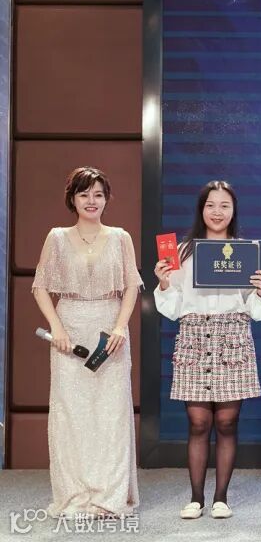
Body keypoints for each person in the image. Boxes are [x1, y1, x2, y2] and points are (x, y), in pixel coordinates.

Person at [154, 180, 261, 520]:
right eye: (210, 205)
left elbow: (257, 311)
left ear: (233, 211)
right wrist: (164, 283)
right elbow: (172, 308)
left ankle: (221, 498)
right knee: (198, 422)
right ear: (201, 210)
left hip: (233, 337)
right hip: (194, 336)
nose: (217, 212)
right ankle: (196, 498)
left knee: (227, 421)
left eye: (224, 206)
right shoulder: (181, 252)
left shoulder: (246, 251)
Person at [31, 167, 140, 518]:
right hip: (70, 330)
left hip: (110, 333)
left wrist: (120, 327)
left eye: (98, 194)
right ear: (72, 199)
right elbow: (40, 287)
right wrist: (57, 328)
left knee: (111, 414)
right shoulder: (57, 237)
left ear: (106, 199)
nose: (91, 201)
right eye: (84, 194)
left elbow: (131, 286)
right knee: (71, 415)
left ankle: (110, 496)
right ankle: (75, 494)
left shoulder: (121, 237)